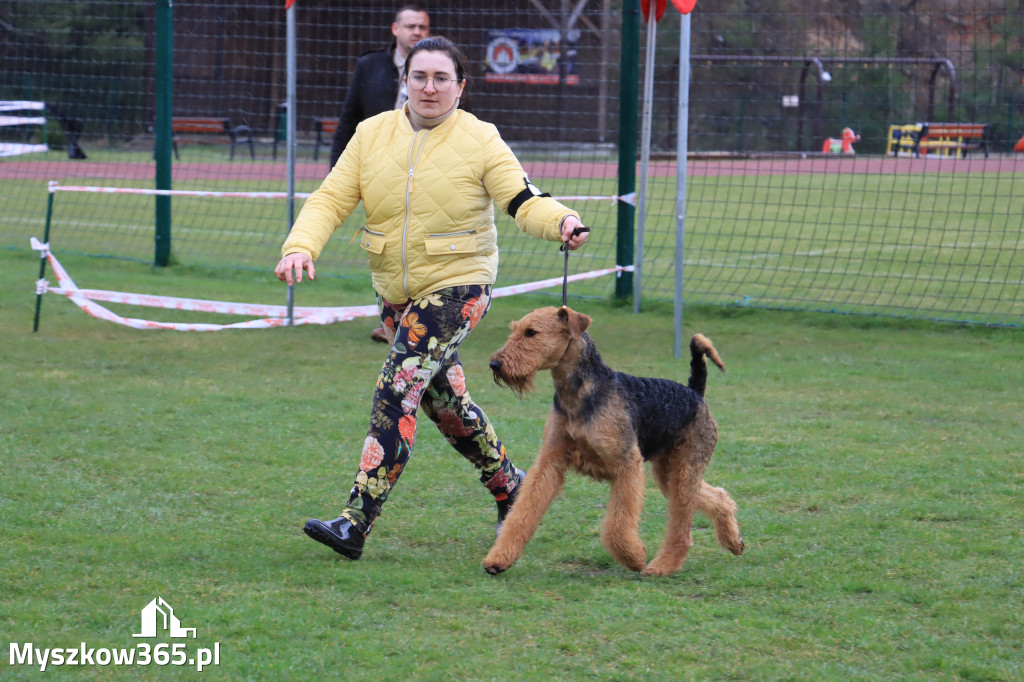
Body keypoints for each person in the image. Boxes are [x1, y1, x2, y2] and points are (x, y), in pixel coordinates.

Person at [275, 36, 589, 561]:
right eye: (419, 76)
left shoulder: (482, 139)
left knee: (396, 389)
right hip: (397, 294)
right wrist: (300, 245)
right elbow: (329, 198)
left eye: (442, 78)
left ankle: (355, 521)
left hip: (459, 287)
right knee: (447, 406)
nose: (429, 86)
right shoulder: (371, 134)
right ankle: (510, 485)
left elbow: (522, 198)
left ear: (461, 88)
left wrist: (561, 221)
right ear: (404, 81)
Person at [330, 4, 430, 344]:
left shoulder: (438, 69)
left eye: (422, 27)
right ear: (395, 29)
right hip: (380, 175)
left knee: (419, 246)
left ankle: (411, 322)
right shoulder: (369, 65)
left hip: (428, 174)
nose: (417, 32)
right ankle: (395, 319)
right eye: (411, 26)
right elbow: (349, 119)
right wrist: (337, 171)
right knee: (385, 249)